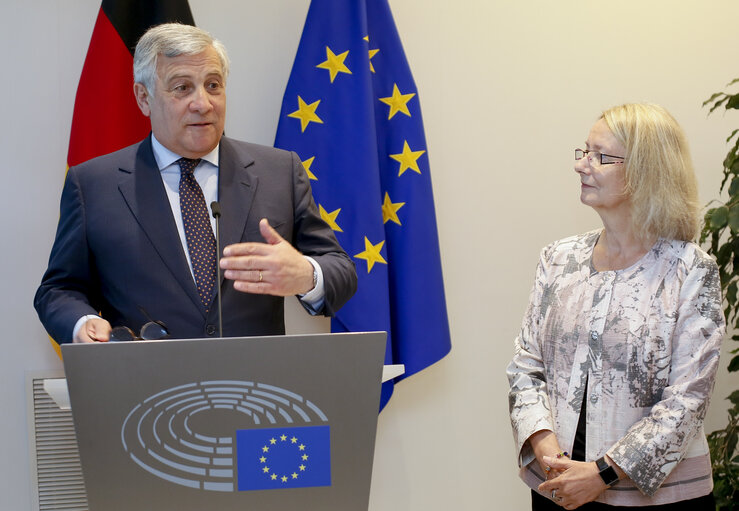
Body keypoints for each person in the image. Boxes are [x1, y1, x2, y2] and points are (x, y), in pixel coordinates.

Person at [34, 23, 357, 343]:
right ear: (143, 98)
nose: (203, 103)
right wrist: (83, 323)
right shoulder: (93, 184)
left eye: (213, 85)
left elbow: (340, 270)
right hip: (146, 385)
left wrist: (306, 274)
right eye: (182, 88)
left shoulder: (278, 171)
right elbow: (59, 290)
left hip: (256, 385)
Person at [507, 103, 724, 510]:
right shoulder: (558, 258)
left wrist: (604, 473)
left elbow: (687, 401)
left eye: (601, 156)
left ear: (645, 171)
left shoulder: (691, 270)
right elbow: (526, 365)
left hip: (659, 500)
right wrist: (545, 446)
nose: (582, 166)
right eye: (584, 152)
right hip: (558, 488)